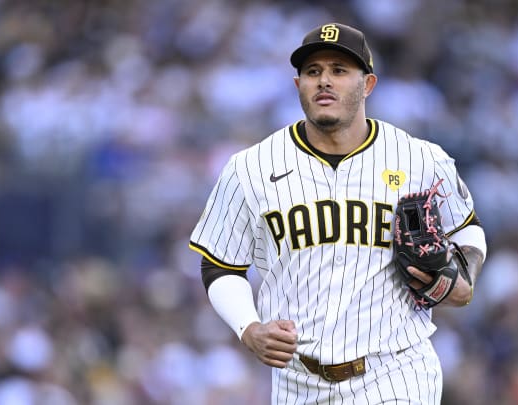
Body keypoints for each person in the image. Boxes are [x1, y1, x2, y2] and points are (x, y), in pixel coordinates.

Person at [189, 22, 487, 405]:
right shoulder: (250, 167)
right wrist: (248, 328)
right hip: (297, 382)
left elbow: (468, 229)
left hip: (396, 370)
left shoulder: (421, 159)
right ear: (298, 86)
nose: (324, 81)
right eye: (313, 72)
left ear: (368, 85)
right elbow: (220, 264)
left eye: (339, 70)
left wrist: (466, 275)